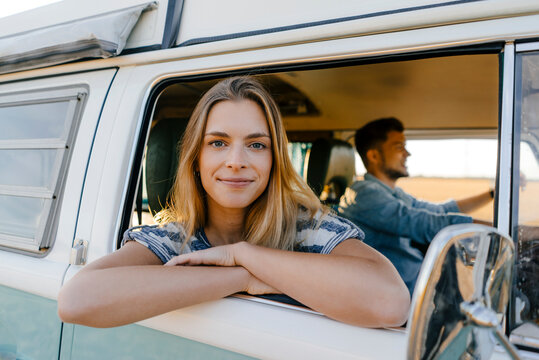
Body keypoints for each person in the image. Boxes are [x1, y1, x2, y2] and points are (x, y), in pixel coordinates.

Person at [58, 77, 410, 328]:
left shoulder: (308, 228)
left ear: (274, 160)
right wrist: (243, 277)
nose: (236, 161)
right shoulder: (173, 239)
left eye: (257, 145)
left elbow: (390, 303)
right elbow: (77, 301)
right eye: (218, 143)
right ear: (196, 157)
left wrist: (243, 254)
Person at [338, 117, 494, 295]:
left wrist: (491, 194)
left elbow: (440, 211)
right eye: (399, 147)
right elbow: (423, 223)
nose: (407, 153)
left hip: (420, 287)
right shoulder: (363, 194)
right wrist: (498, 230)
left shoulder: (393, 194)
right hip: (401, 298)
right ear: (373, 155)